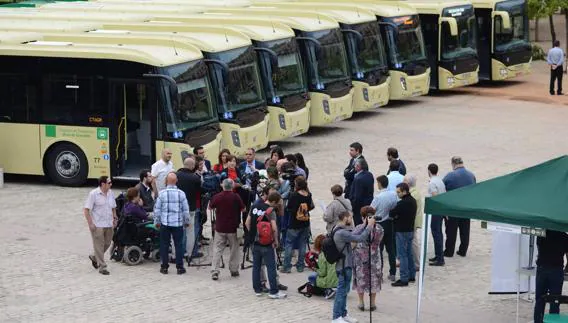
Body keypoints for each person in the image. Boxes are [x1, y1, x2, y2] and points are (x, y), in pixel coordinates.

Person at [332, 211, 376, 323]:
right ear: (345, 218)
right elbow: (360, 238)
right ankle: (336, 317)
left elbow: (354, 234)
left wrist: (364, 225)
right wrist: (369, 226)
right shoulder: (342, 233)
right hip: (343, 266)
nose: (352, 219)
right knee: (341, 292)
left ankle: (343, 314)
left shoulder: (337, 228)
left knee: (344, 291)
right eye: (351, 217)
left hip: (343, 264)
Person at [245, 191, 287, 299]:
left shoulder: (254, 205)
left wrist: (253, 234)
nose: (277, 206)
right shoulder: (270, 210)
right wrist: (276, 241)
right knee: (271, 267)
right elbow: (274, 227)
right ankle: (273, 291)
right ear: (273, 201)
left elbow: (247, 223)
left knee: (256, 267)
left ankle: (257, 290)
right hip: (267, 243)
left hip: (255, 241)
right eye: (277, 204)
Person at [208, 179, 245, 280]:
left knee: (217, 249)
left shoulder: (217, 196)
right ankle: (233, 270)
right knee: (234, 249)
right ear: (232, 186)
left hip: (220, 227)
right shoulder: (236, 197)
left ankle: (215, 270)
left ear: (222, 186)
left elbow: (210, 207)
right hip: (233, 227)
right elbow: (243, 209)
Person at [153, 173, 190, 275]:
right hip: (178, 224)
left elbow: (157, 209)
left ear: (166, 181)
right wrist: (186, 221)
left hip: (165, 223)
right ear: (176, 181)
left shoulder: (162, 193)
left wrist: (157, 221)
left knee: (164, 245)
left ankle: (164, 267)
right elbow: (185, 210)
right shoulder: (181, 194)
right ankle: (180, 267)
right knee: (179, 245)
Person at [443, 156, 476, 257]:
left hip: (453, 207)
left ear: (453, 164)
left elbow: (443, 189)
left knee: (451, 230)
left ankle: (449, 251)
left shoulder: (450, 176)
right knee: (465, 230)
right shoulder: (471, 175)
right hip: (466, 206)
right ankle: (463, 250)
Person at [84, 176, 117, 275]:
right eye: (109, 183)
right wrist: (90, 223)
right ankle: (102, 266)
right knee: (99, 244)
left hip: (108, 223)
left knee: (107, 243)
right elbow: (86, 210)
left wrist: (115, 218)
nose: (111, 184)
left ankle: (95, 256)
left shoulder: (111, 193)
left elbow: (113, 208)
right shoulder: (93, 194)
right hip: (97, 224)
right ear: (103, 184)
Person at [352, 206, 384, 312]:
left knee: (363, 279)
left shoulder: (359, 228)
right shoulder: (379, 228)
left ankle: (362, 303)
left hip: (363, 259)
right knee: (373, 279)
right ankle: (371, 303)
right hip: (373, 259)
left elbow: (353, 240)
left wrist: (366, 226)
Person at [533, 230, 568, 323]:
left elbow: (539, 247)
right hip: (556, 269)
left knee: (540, 300)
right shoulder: (564, 236)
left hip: (542, 268)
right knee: (555, 301)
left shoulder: (541, 233)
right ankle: (553, 321)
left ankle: (538, 321)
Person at [282, 176, 314, 273]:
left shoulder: (294, 195)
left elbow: (289, 207)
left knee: (289, 244)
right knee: (302, 244)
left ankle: (287, 267)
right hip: (305, 223)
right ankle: (300, 266)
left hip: (294, 223)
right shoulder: (308, 195)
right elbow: (311, 206)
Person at [371, 175, 398, 282]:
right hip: (389, 223)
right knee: (391, 249)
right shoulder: (393, 194)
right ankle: (392, 273)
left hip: (379, 224)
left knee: (379, 250)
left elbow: (371, 209)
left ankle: (379, 273)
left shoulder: (378, 197)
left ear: (380, 184)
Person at [390, 183, 417, 287]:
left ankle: (404, 278)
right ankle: (411, 275)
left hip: (402, 231)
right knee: (409, 253)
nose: (397, 194)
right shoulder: (413, 200)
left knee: (402, 255)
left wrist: (395, 215)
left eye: (399, 192)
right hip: (410, 230)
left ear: (404, 191)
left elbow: (391, 213)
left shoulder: (402, 203)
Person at [176, 158, 203, 259]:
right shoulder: (195, 178)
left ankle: (180, 252)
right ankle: (190, 253)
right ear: (192, 166)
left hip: (178, 208)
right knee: (190, 232)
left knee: (180, 231)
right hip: (190, 208)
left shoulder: (176, 175)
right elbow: (199, 191)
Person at [427, 163, 446, 266]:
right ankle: (438, 255)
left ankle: (440, 259)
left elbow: (434, 196)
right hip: (440, 210)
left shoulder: (432, 183)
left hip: (435, 210)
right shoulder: (440, 180)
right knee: (439, 233)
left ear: (429, 171)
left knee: (436, 234)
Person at [307, 234, 338, 299]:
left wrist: (315, 269)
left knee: (311, 277)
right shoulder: (335, 250)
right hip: (340, 279)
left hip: (330, 281)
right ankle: (333, 288)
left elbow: (322, 273)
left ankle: (328, 289)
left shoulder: (322, 255)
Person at [404, 174, 423, 270]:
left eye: (404, 181)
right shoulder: (414, 192)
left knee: (413, 243)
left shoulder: (413, 194)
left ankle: (416, 263)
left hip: (412, 222)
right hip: (412, 221)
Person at [349, 159, 374, 226]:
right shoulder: (370, 174)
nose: (354, 167)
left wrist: (353, 206)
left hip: (359, 208)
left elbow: (357, 197)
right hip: (368, 204)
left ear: (359, 167)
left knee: (359, 225)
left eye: (355, 166)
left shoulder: (358, 179)